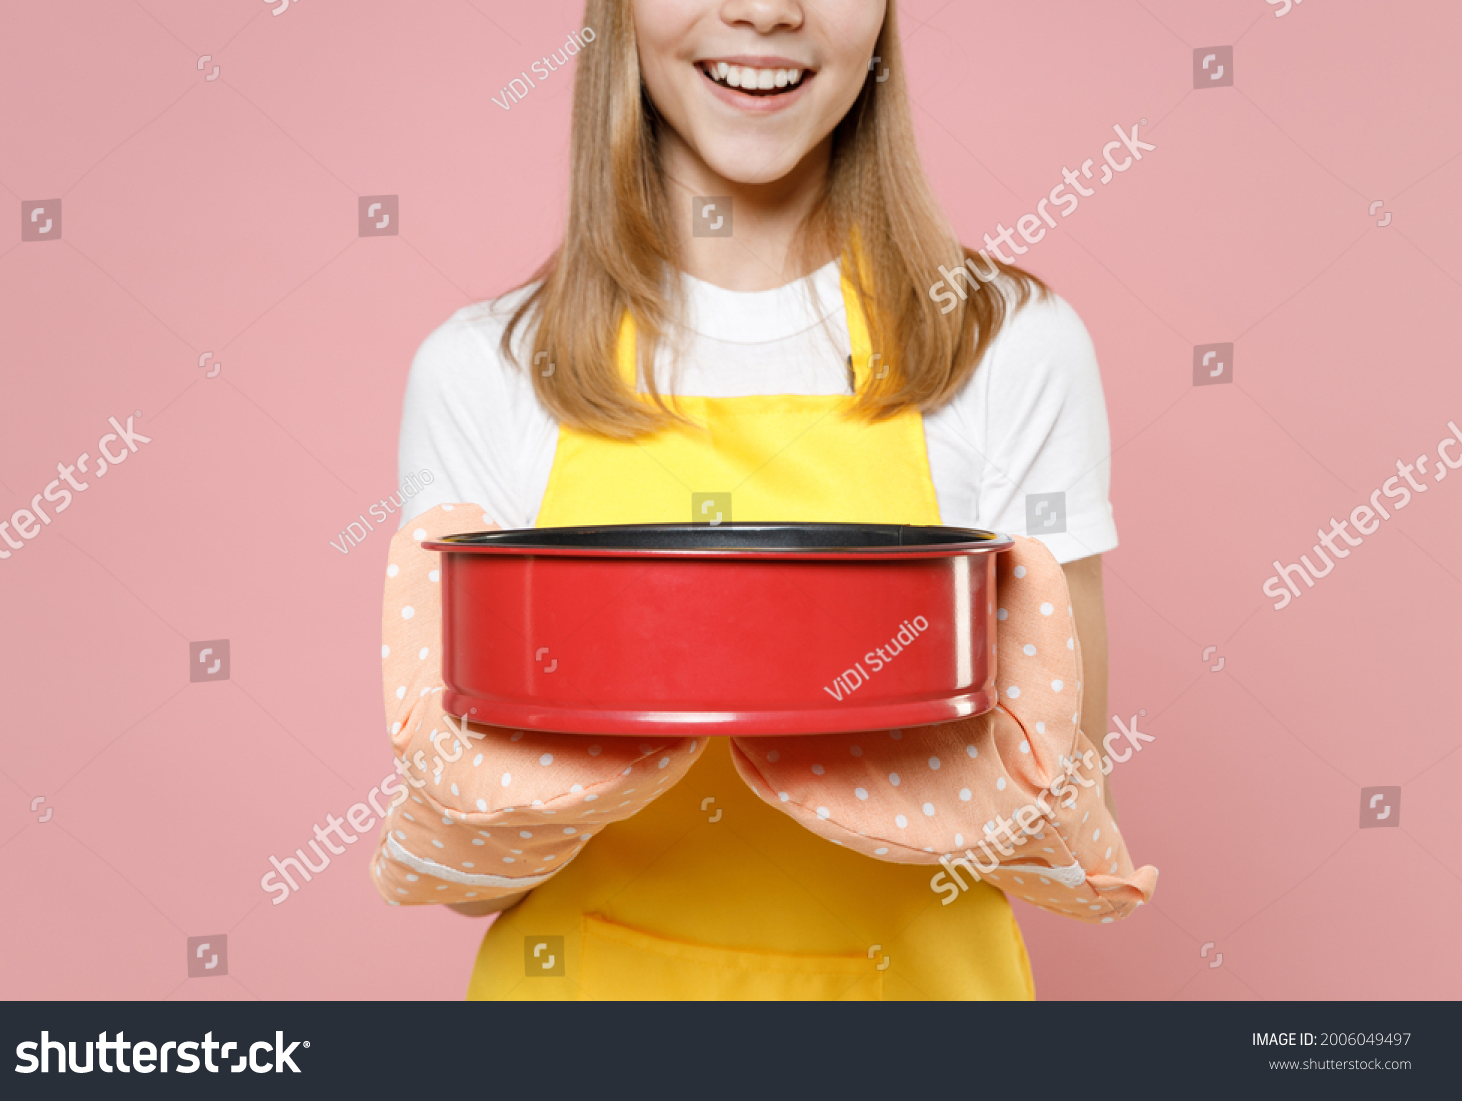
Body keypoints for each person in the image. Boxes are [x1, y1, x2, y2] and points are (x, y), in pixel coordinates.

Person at [371, 0, 1155, 1000]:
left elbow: (1073, 810)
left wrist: (932, 777)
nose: (765, 9)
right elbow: (466, 893)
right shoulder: (487, 369)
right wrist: (531, 786)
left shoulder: (1008, 348)